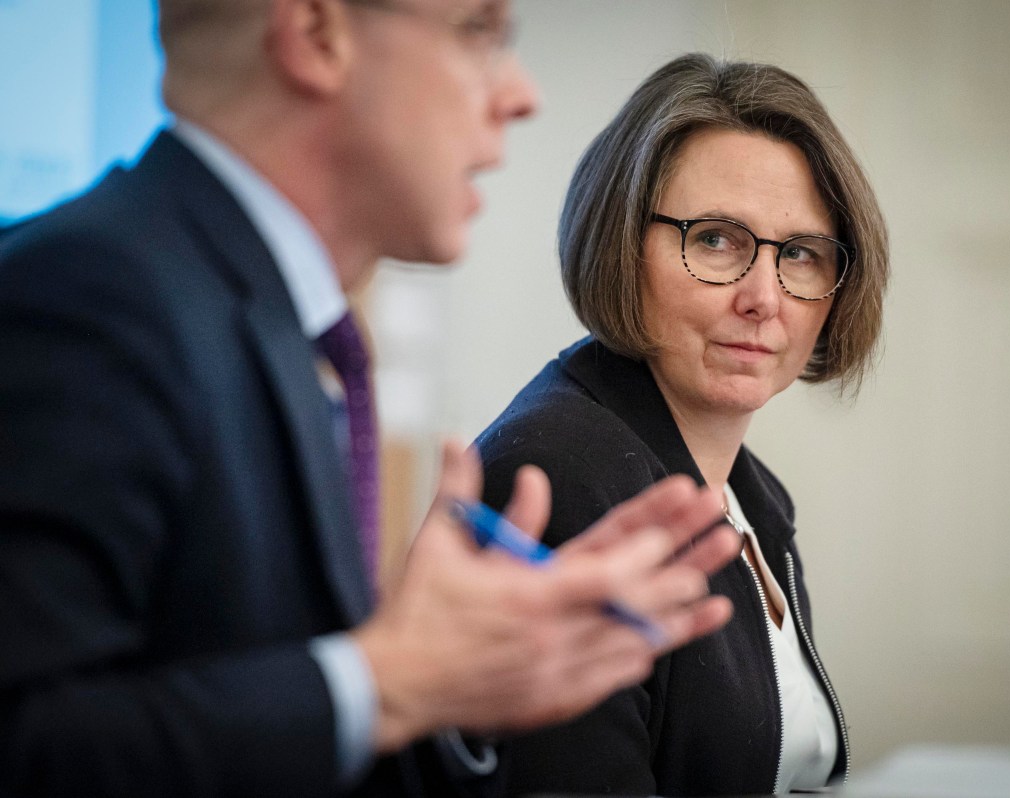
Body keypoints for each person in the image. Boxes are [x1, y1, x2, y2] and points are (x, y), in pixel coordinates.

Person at [0, 4, 743, 797]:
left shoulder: (270, 324)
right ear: (318, 35)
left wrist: (463, 681)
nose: (521, 94)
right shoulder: (87, 295)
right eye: (479, 33)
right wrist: (389, 680)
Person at [476, 53, 889, 796]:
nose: (763, 297)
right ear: (619, 245)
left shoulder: (753, 496)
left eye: (798, 253)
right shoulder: (557, 475)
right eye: (714, 240)